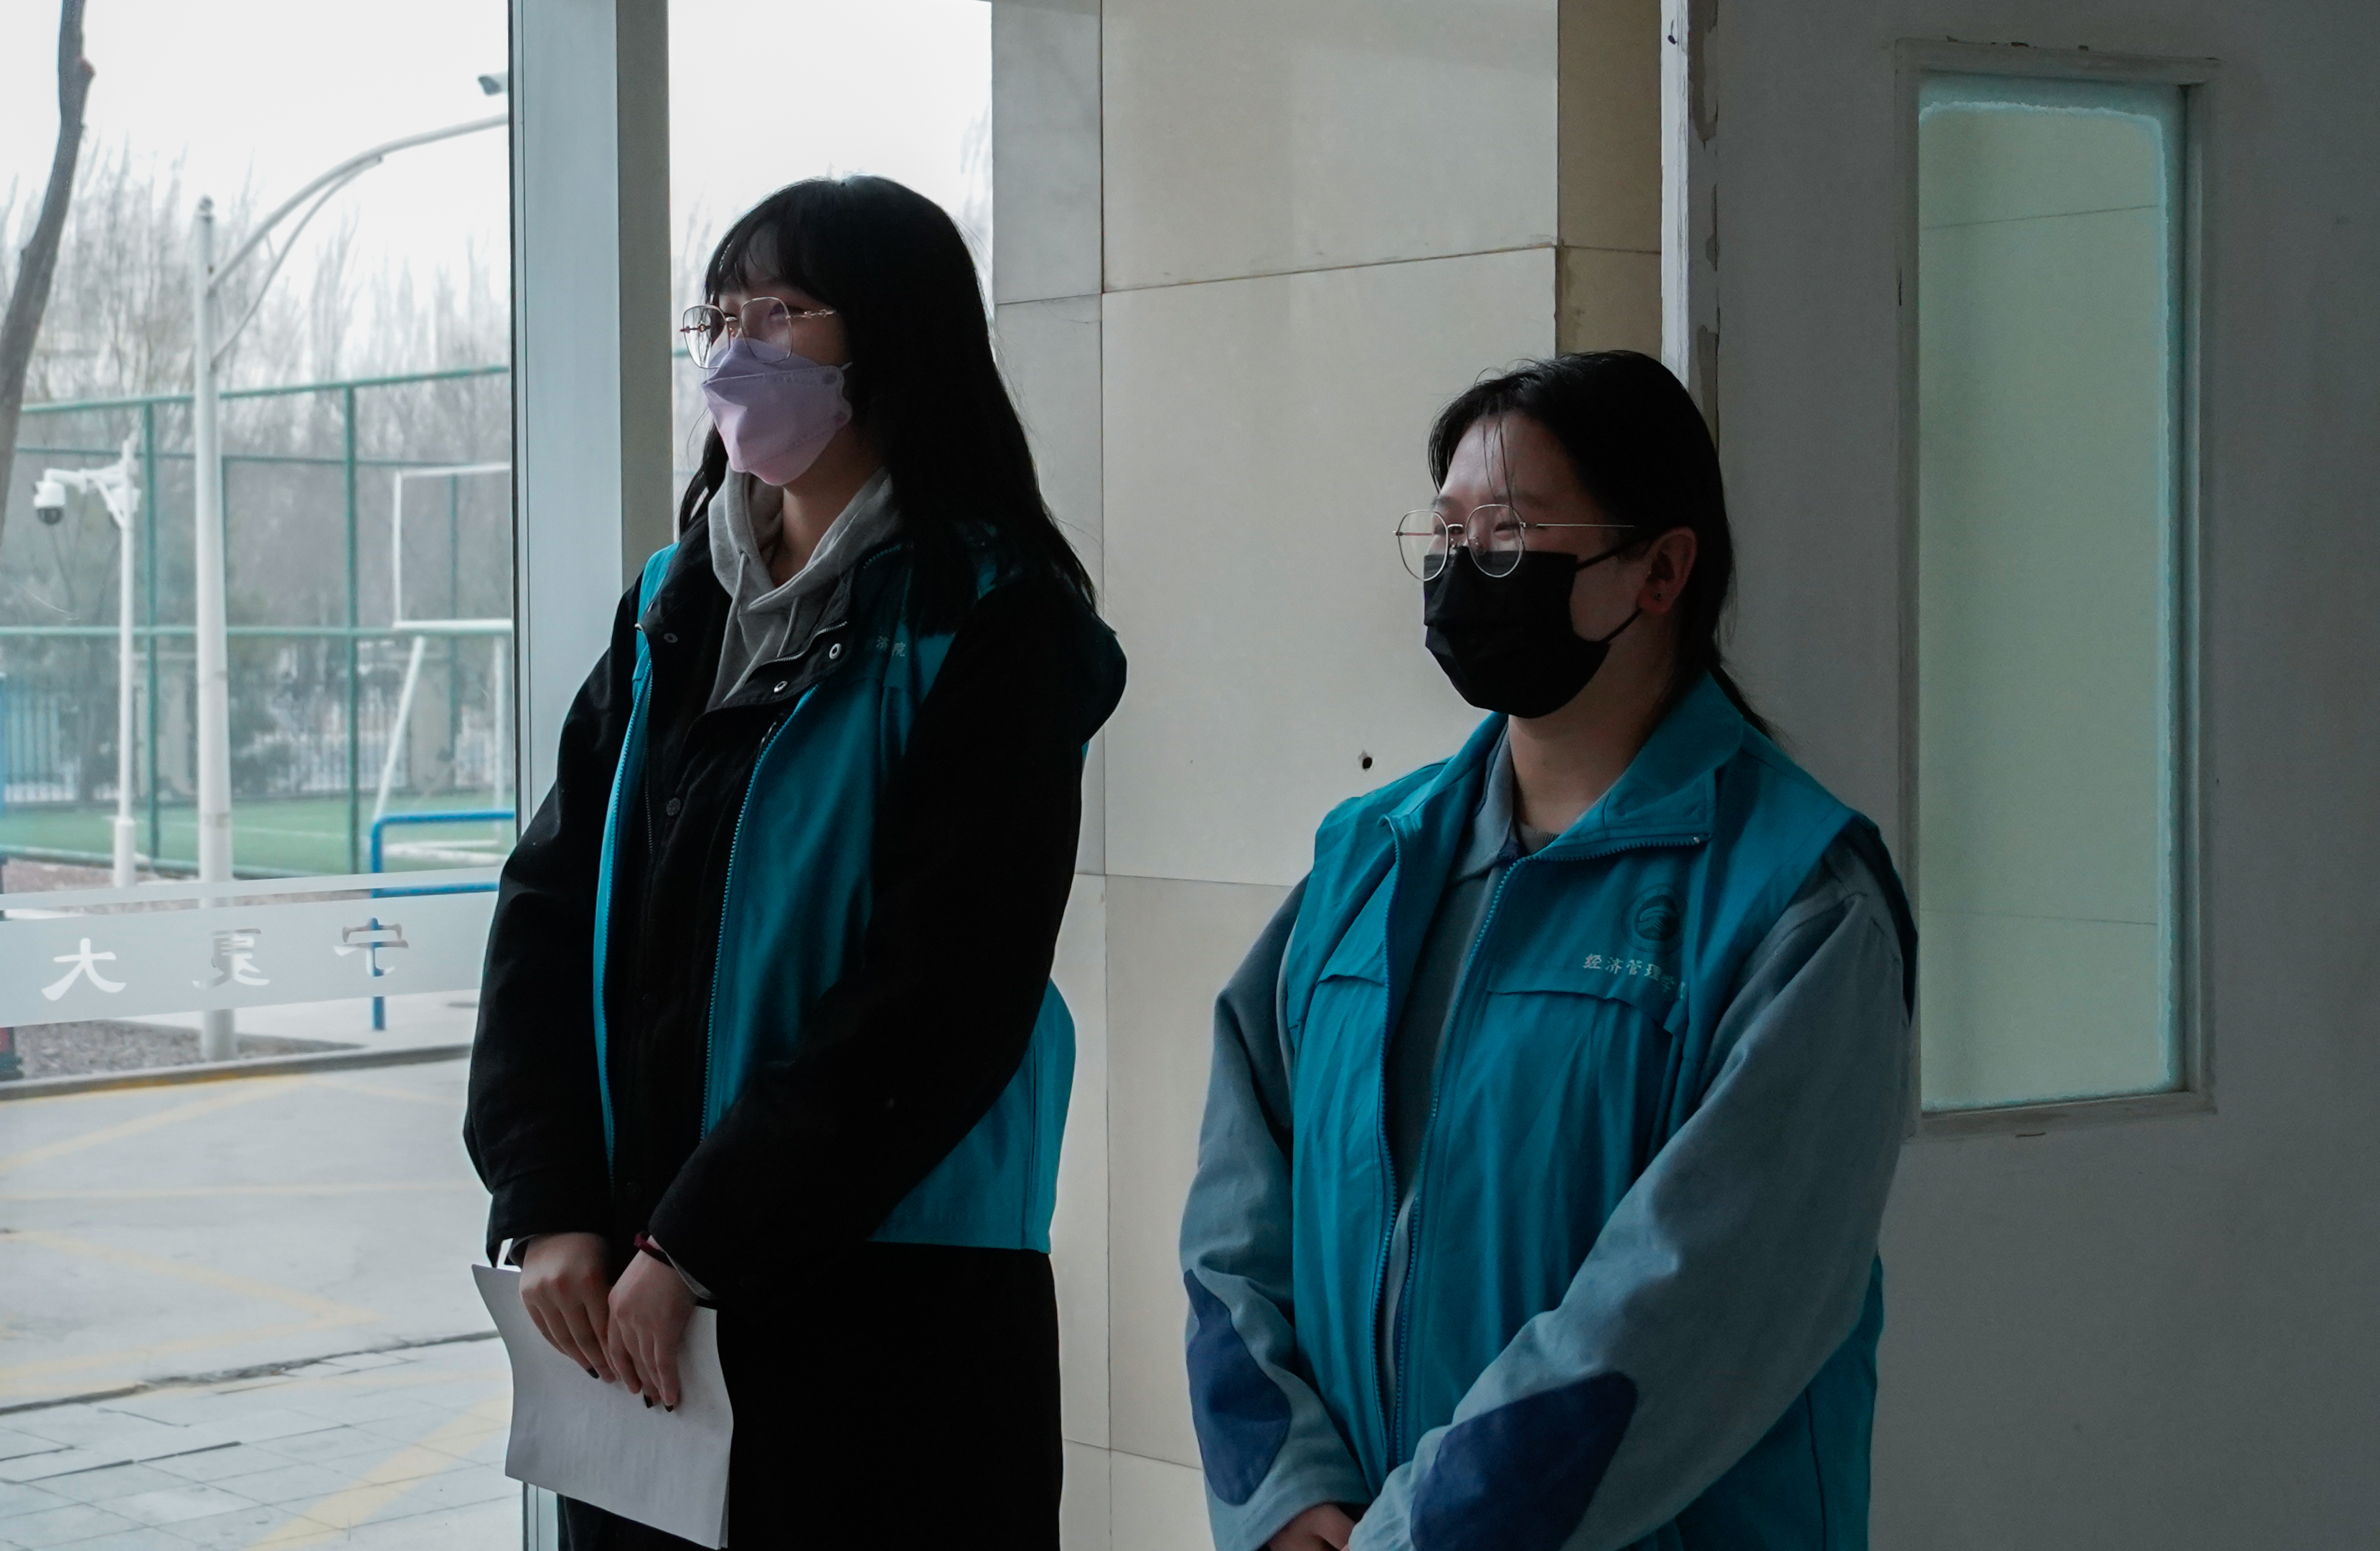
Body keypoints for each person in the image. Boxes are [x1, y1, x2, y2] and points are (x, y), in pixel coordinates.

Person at [464, 174, 1124, 1548]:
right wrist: (553, 1203)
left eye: (781, 312)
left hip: (889, 1288)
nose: (735, 349)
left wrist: (702, 1241)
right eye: (719, 315)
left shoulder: (992, 618)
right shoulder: (672, 603)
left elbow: (947, 985)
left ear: (893, 337)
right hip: (633, 1278)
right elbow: (549, 904)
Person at [1180, 351, 1915, 1551]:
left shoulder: (1799, 903)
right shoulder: (1369, 857)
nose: (1464, 569)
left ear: (1659, 570)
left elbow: (1695, 1300)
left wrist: (1425, 1533)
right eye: (1447, 533)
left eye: (1512, 535)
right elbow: (1234, 1214)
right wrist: (1281, 1490)